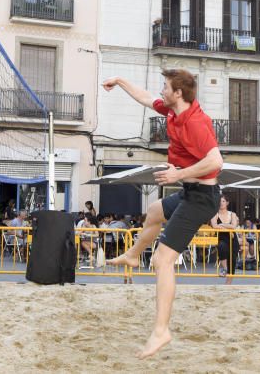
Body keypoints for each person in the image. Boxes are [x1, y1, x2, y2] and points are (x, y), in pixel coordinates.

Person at [103, 69, 223, 358]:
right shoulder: (171, 112)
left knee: (162, 260)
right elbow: (144, 98)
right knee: (155, 211)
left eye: (165, 87)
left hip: (203, 198)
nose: (161, 91)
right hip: (191, 193)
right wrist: (120, 80)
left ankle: (161, 331)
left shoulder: (195, 122)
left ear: (178, 93)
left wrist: (178, 174)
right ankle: (133, 254)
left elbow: (216, 160)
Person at [209, 195, 238, 281]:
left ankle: (228, 286)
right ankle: (225, 268)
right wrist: (228, 229)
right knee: (221, 247)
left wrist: (221, 225)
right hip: (222, 238)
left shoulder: (232, 214)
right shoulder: (214, 214)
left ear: (227, 203)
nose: (221, 203)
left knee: (232, 263)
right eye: (219, 201)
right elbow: (214, 226)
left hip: (233, 239)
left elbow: (233, 226)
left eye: (223, 201)